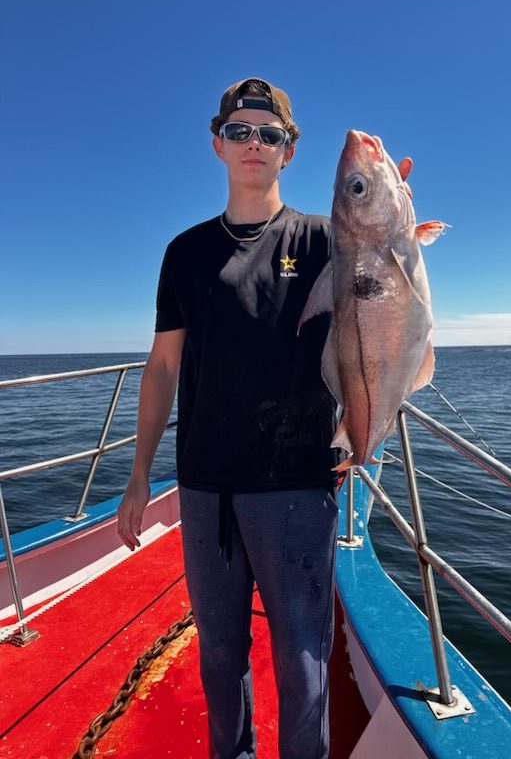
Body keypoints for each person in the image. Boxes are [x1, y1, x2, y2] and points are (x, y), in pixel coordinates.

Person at [117, 77, 414, 759]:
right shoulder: (185, 253)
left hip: (296, 486)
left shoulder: (326, 239)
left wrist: (390, 220)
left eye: (270, 134)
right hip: (205, 487)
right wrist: (139, 476)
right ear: (218, 143)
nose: (255, 143)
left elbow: (386, 303)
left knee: (301, 656)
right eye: (241, 131)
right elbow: (163, 368)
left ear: (290, 151)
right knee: (219, 653)